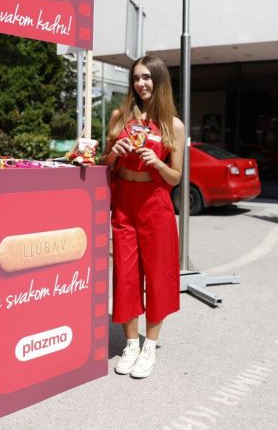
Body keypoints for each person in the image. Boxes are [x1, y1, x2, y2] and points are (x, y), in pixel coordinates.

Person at [102, 55, 185, 378]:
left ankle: (149, 345)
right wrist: (114, 152)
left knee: (158, 275)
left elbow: (175, 177)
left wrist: (157, 162)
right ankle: (131, 344)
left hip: (155, 202)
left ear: (159, 80)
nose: (141, 83)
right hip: (125, 200)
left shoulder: (172, 125)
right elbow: (104, 162)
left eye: (147, 77)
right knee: (125, 273)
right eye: (136, 78)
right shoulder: (120, 116)